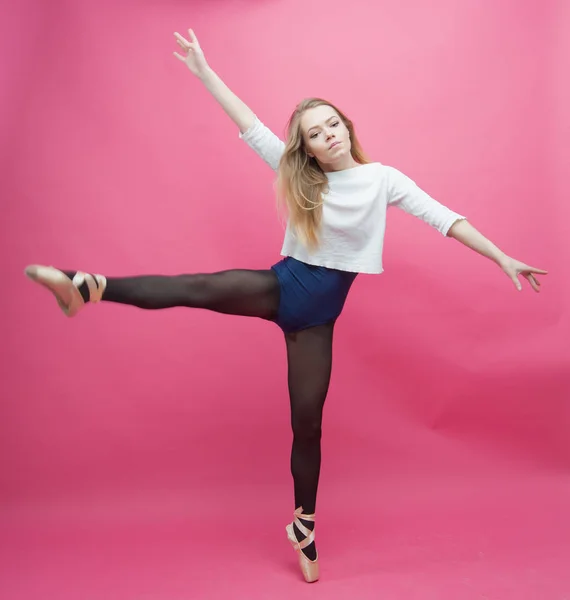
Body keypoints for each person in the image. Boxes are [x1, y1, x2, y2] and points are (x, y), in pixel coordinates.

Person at [24, 28, 548, 583]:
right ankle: (86, 286)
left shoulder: (382, 180)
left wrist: (502, 258)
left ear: (347, 127)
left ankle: (303, 526)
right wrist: (205, 72)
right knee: (197, 288)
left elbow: (446, 218)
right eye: (315, 135)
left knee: (308, 424)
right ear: (309, 148)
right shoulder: (301, 175)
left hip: (318, 320)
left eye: (332, 125)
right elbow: (247, 123)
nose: (328, 136)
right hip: (283, 287)